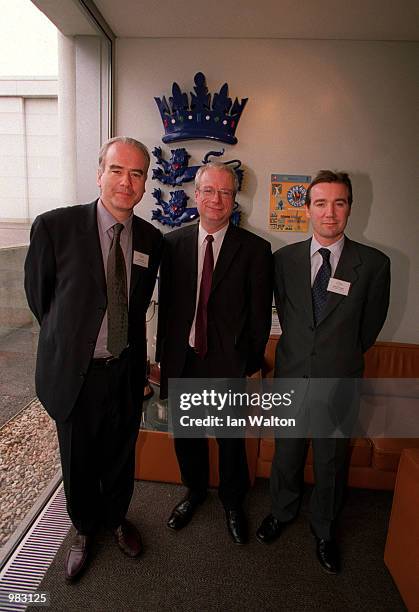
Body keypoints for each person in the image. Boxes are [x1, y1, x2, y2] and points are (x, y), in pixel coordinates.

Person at [24, 137, 162, 582]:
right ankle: (84, 530)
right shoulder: (54, 227)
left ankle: (116, 520)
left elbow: (137, 304)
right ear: (99, 173)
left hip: (124, 370)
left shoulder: (152, 241)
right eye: (118, 170)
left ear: (144, 183)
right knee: (78, 458)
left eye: (137, 173)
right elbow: (40, 299)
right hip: (76, 373)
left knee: (121, 454)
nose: (127, 181)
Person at [256, 170, 390, 573]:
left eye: (339, 203)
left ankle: (326, 529)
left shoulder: (374, 264)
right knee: (288, 452)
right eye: (320, 203)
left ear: (350, 206)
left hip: (340, 379)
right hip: (292, 375)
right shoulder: (283, 260)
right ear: (307, 208)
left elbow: (370, 327)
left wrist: (337, 357)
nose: (330, 213)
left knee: (332, 459)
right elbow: (284, 314)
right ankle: (282, 511)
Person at [156, 161, 273, 544]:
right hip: (184, 360)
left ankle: (232, 501)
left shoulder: (256, 250)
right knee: (186, 436)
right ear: (196, 194)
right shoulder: (171, 245)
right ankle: (194, 492)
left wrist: (248, 362)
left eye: (225, 192)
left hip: (227, 362)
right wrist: (164, 360)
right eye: (209, 190)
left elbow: (258, 317)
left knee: (229, 440)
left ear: (234, 198)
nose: (216, 199)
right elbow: (168, 309)